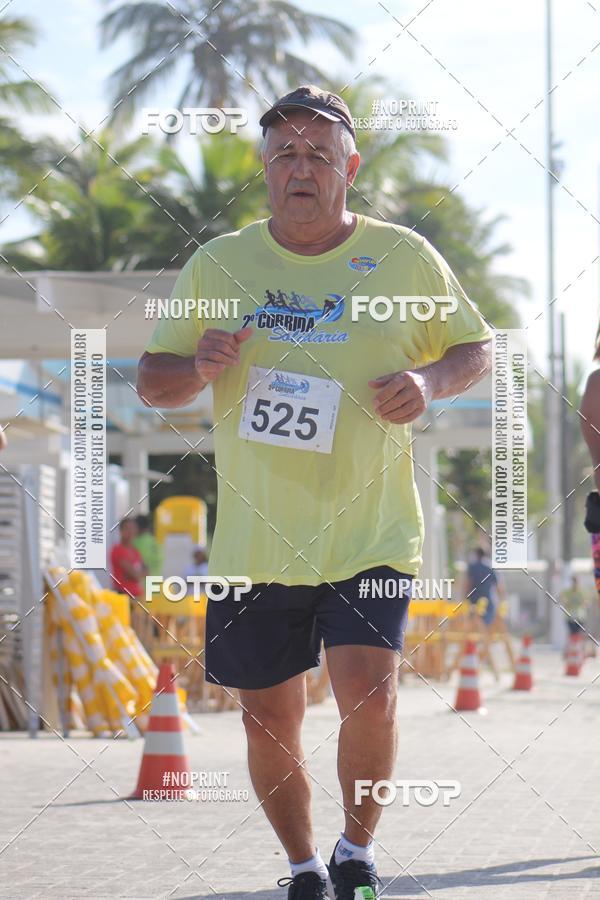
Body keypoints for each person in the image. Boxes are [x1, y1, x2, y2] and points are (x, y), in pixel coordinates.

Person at [137, 85, 492, 900]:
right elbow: (153, 381)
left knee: (370, 694)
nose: (302, 169)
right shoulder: (219, 264)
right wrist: (196, 366)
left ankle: (356, 851)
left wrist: (429, 383)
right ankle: (303, 867)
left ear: (350, 168)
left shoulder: (403, 257)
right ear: (264, 168)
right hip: (257, 539)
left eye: (319, 155)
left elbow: (474, 347)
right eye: (286, 154)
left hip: (372, 530)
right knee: (269, 715)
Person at [465, 547, 505, 626]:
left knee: (474, 625)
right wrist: (502, 600)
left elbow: (468, 584)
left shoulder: (472, 567)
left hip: (474, 600)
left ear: (476, 555)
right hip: (487, 601)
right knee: (486, 624)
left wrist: (465, 597)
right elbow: (499, 587)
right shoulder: (490, 568)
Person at [110, 518, 147, 600]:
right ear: (121, 531)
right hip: (123, 596)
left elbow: (147, 571)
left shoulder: (135, 550)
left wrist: (137, 574)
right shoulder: (117, 550)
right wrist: (139, 573)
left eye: (133, 528)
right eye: (127, 528)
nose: (131, 531)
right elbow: (133, 574)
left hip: (137, 596)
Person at [133, 513, 164, 578]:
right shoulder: (154, 540)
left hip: (143, 581)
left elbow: (137, 562)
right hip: (156, 579)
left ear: (137, 527)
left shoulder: (137, 542)